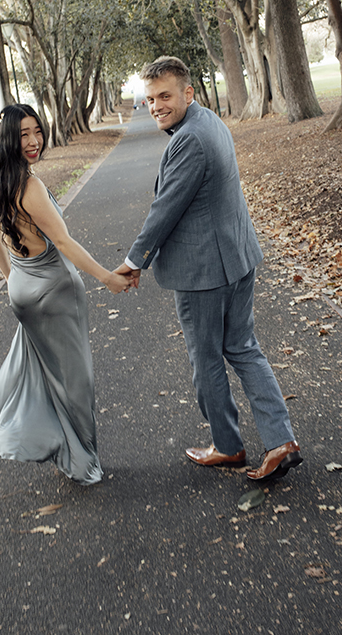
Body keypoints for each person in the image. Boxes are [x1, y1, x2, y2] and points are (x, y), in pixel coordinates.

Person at [114, 57, 302, 481]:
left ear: (188, 93)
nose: (156, 105)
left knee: (207, 360)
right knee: (242, 347)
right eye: (150, 99)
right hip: (236, 257)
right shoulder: (208, 122)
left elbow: (165, 210)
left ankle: (228, 446)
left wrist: (132, 263)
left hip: (206, 271)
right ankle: (281, 441)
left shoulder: (190, 140)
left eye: (165, 96)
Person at [0, 104, 129, 485]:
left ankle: (51, 443)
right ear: (9, 139)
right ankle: (83, 463)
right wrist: (106, 277)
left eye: (37, 131)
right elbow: (62, 241)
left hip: (23, 292)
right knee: (74, 380)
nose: (33, 141)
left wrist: (14, 278)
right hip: (55, 292)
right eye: (23, 134)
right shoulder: (29, 187)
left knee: (40, 371)